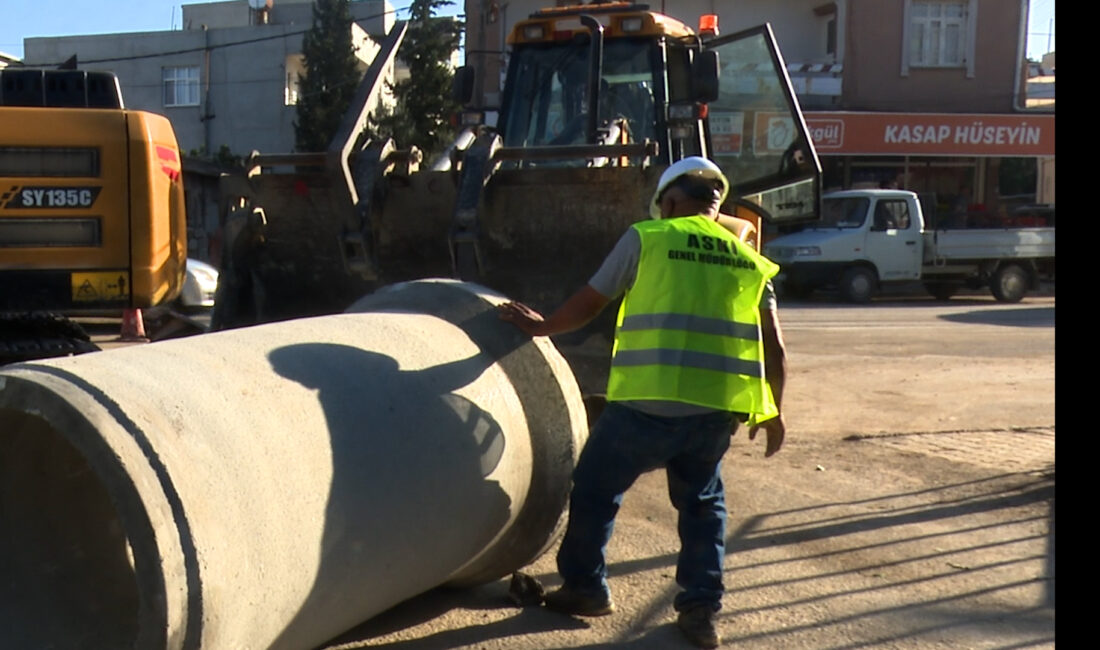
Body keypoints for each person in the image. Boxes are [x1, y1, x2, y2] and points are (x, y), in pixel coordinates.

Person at [497, 157, 788, 649]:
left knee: (594, 487)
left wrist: (540, 326)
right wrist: (774, 411)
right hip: (715, 413)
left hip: (646, 406)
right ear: (716, 207)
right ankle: (700, 611)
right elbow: (774, 345)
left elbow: (592, 301)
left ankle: (586, 586)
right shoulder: (749, 257)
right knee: (702, 506)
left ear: (669, 202)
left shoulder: (648, 237)